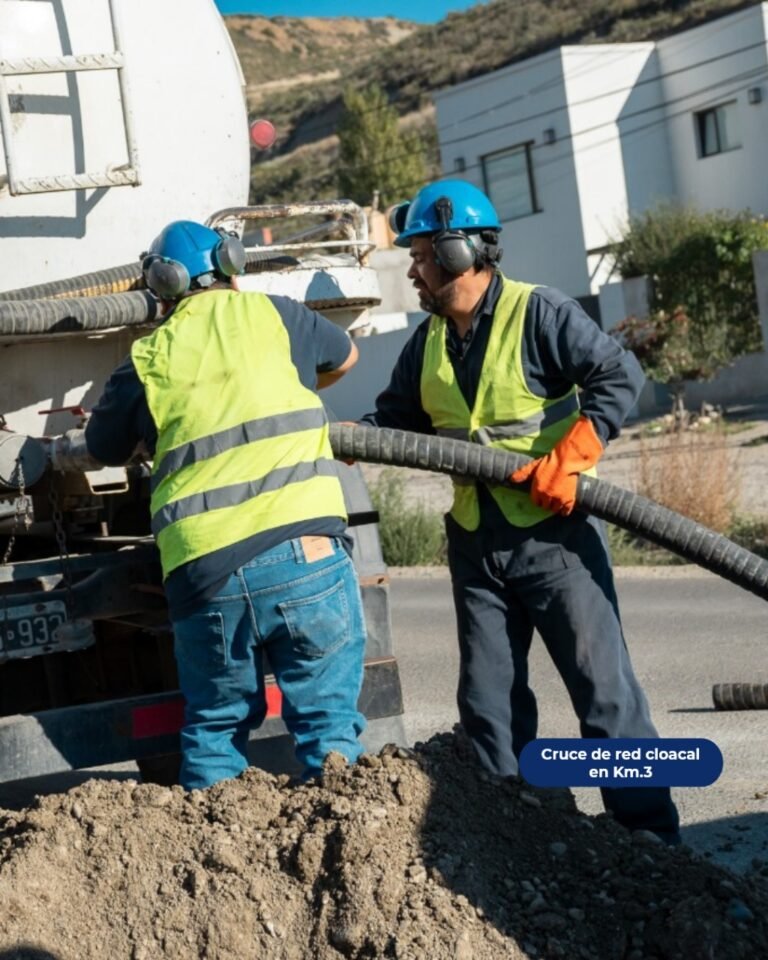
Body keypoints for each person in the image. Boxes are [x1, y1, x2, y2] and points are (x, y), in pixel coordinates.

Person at [363, 180, 680, 844]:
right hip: (477, 547)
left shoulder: (540, 313)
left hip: (555, 541)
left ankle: (654, 844)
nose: (414, 271)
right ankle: (515, 849)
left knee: (606, 698)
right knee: (490, 710)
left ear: (461, 251)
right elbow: (389, 423)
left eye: (421, 255)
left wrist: (575, 455)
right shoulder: (426, 346)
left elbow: (619, 377)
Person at [85, 219, 367, 790]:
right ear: (232, 263)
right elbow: (346, 358)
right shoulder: (280, 316)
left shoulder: (146, 358)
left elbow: (101, 447)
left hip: (205, 573)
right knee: (330, 731)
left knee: (215, 729)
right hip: (306, 553)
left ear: (161, 285)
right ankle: (353, 857)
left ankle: (216, 870)